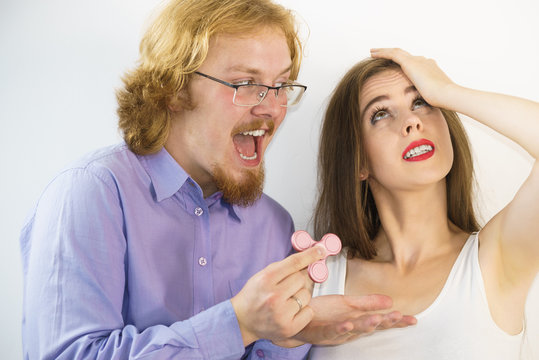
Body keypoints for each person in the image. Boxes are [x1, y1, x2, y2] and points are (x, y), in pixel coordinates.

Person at [19, 2, 417, 359]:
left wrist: (288, 335)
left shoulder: (273, 226)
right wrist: (239, 323)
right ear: (173, 88)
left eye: (280, 86)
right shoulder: (91, 194)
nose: (272, 109)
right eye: (246, 84)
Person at [309, 48, 539, 359]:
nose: (412, 122)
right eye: (381, 114)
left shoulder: (495, 259)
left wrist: (447, 91)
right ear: (358, 161)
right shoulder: (318, 280)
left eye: (421, 103)